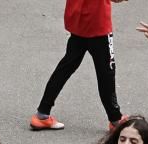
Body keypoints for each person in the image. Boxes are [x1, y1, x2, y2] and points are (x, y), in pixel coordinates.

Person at [31, 0, 128, 131]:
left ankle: (42, 113)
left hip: (78, 21)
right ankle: (115, 119)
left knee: (65, 67)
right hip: (97, 22)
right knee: (106, 73)